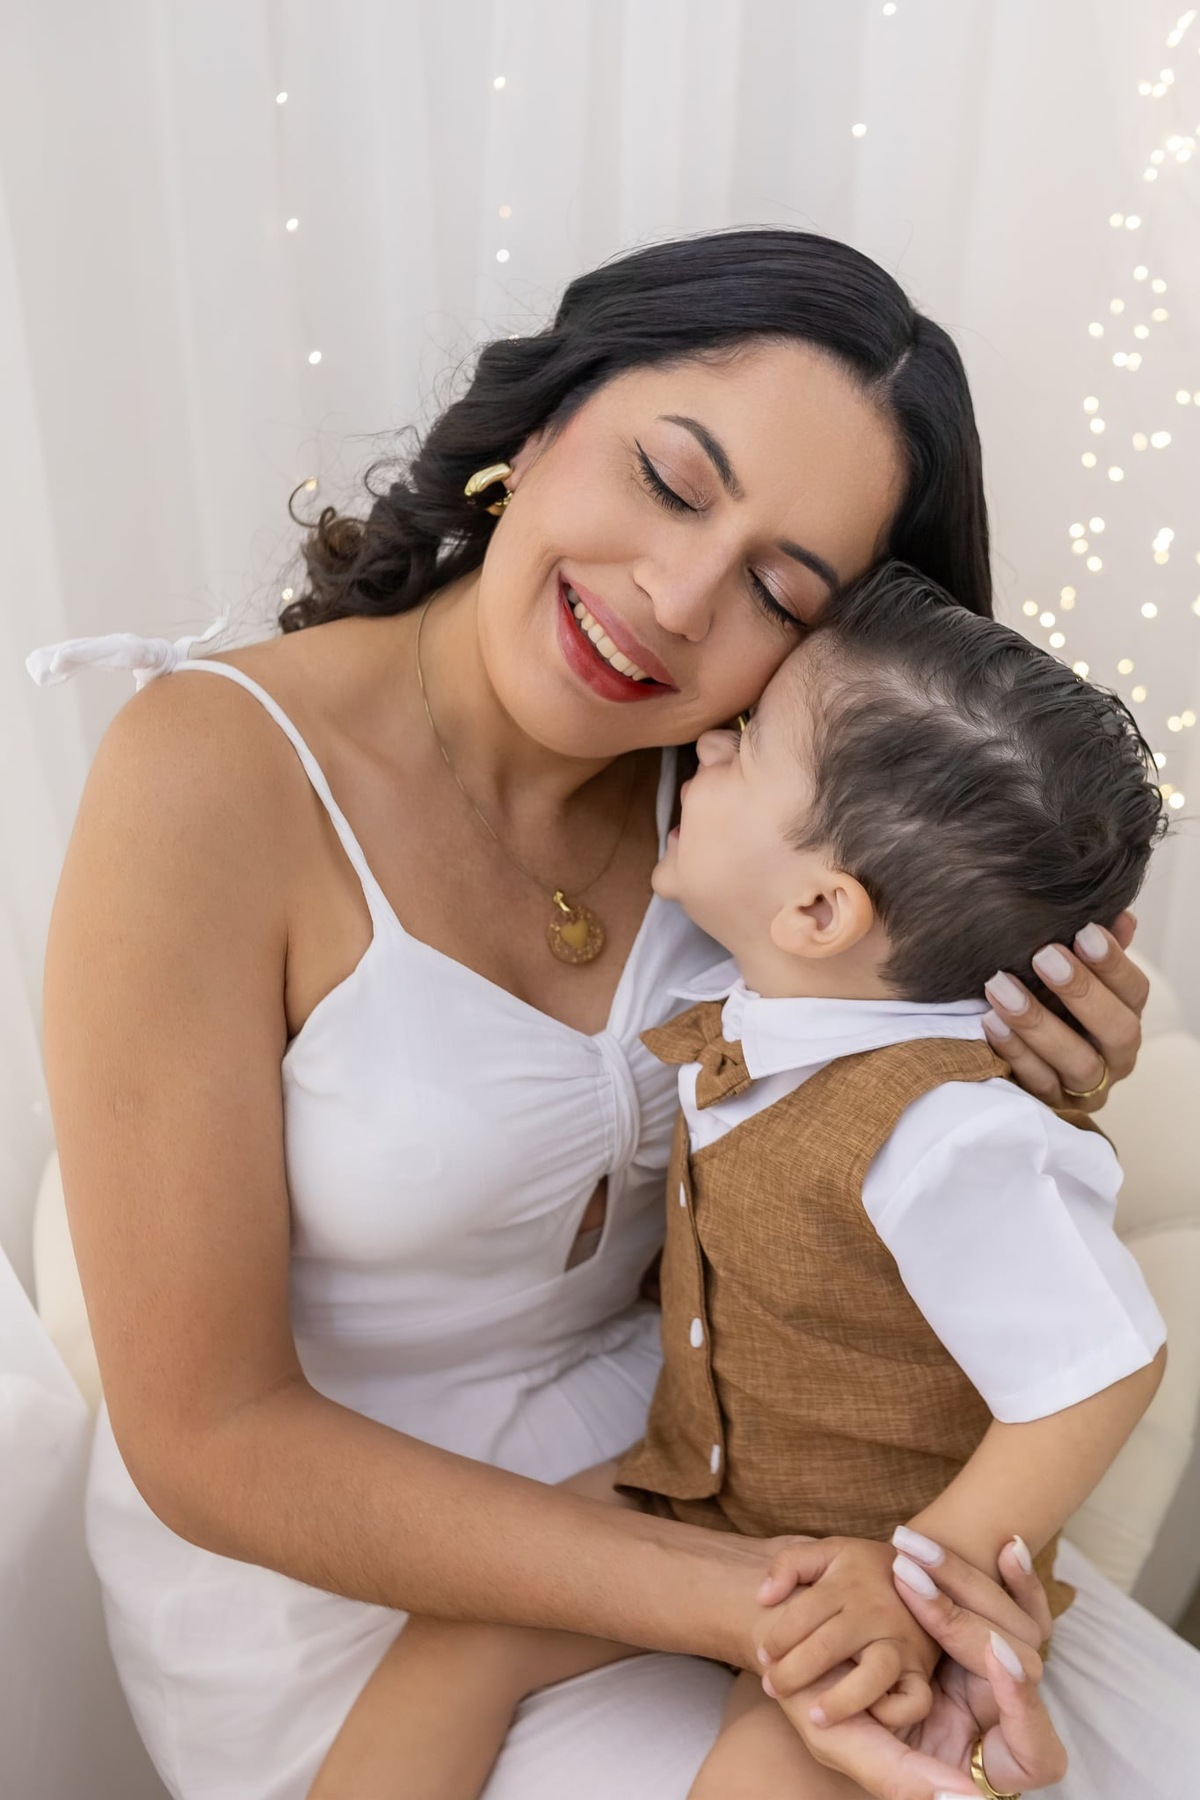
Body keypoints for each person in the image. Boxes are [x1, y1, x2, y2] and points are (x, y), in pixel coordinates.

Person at [30, 230, 1198, 1800]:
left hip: (714, 1473)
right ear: (547, 415)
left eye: (780, 592)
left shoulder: (762, 808)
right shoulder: (206, 776)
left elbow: (879, 1172)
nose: (670, 601)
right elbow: (209, 1434)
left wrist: (1038, 1068)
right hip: (357, 1569)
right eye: (670, 479)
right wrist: (776, 1602)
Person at [306, 566, 1169, 1800]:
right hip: (703, 1487)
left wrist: (930, 1574)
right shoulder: (759, 1009)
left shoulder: (948, 1132)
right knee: (456, 1632)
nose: (710, 738)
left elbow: (1107, 1364)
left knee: (773, 1770)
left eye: (750, 744)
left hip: (873, 1563)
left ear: (820, 906)